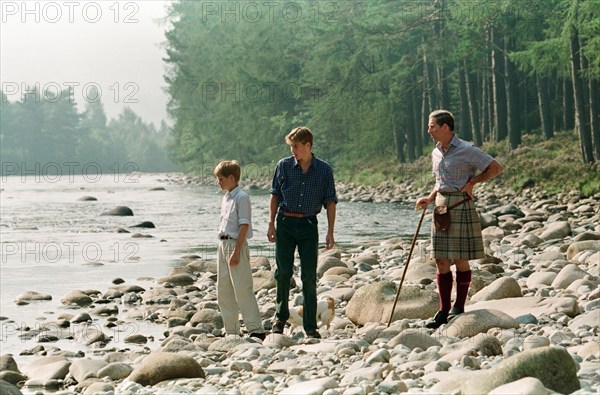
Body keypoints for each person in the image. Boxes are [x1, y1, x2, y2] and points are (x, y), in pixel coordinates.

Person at [416, 110, 503, 329]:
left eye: (432, 126)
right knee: (441, 260)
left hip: (461, 205)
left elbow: (495, 168)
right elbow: (439, 181)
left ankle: (459, 306)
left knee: (461, 258)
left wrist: (473, 182)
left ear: (445, 127)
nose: (428, 130)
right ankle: (443, 311)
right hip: (441, 207)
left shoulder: (467, 149)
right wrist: (429, 198)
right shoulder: (436, 152)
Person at [267, 126, 337, 339]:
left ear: (308, 145)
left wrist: (330, 232)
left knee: (308, 275)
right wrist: (271, 224)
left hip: (308, 225)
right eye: (291, 147)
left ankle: (310, 325)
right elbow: (275, 196)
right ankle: (280, 318)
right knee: (283, 273)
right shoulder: (284, 166)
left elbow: (330, 202)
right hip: (285, 222)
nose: (293, 151)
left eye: (295, 146)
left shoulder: (324, 170)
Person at [214, 160, 265, 340]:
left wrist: (237, 251)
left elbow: (244, 225)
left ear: (231, 177)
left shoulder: (242, 197)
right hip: (222, 244)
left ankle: (255, 329)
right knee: (224, 289)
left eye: (221, 179)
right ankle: (232, 330)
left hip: (236, 244)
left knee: (242, 288)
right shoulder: (226, 197)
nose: (218, 182)